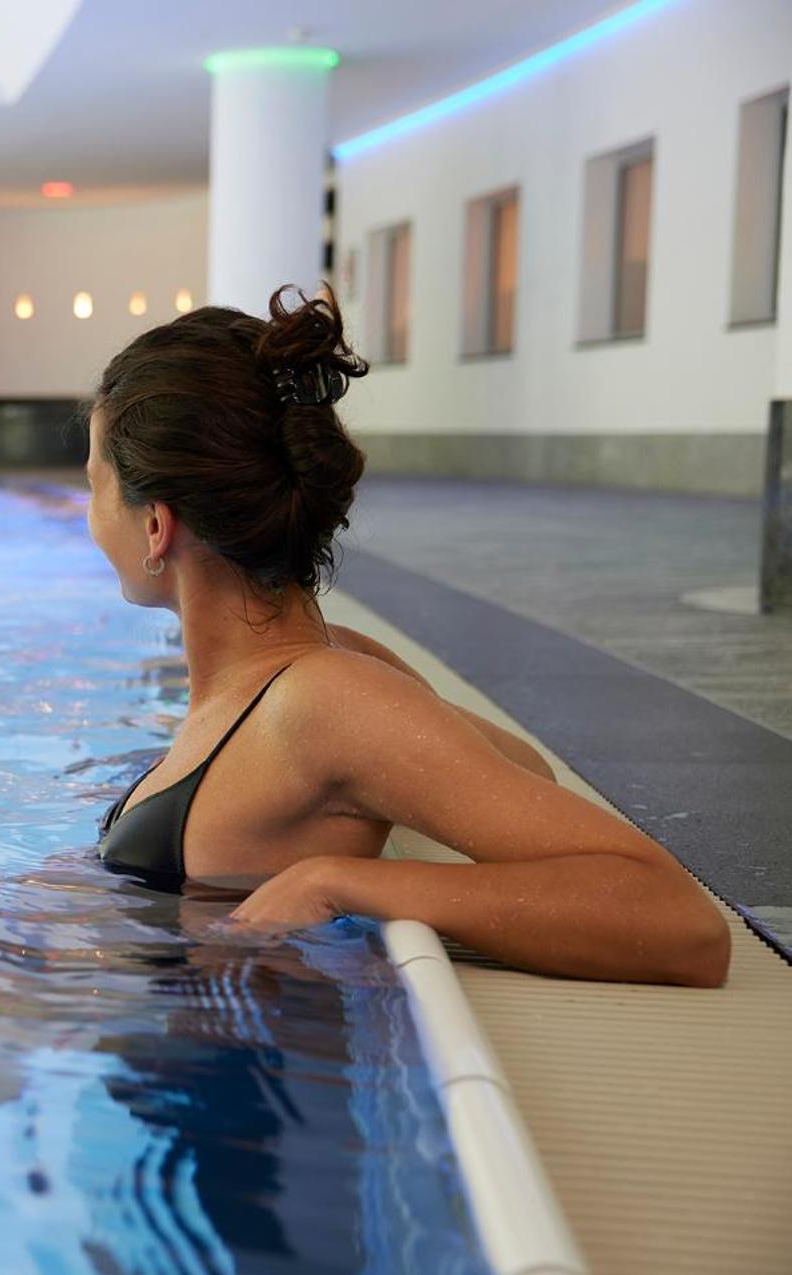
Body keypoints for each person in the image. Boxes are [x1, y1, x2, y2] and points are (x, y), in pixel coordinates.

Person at [85, 286, 728, 986]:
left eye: (94, 486)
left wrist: (340, 882)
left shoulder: (324, 699)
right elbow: (521, 775)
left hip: (243, 1047)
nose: (89, 514)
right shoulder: (323, 670)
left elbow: (682, 924)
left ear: (157, 525)